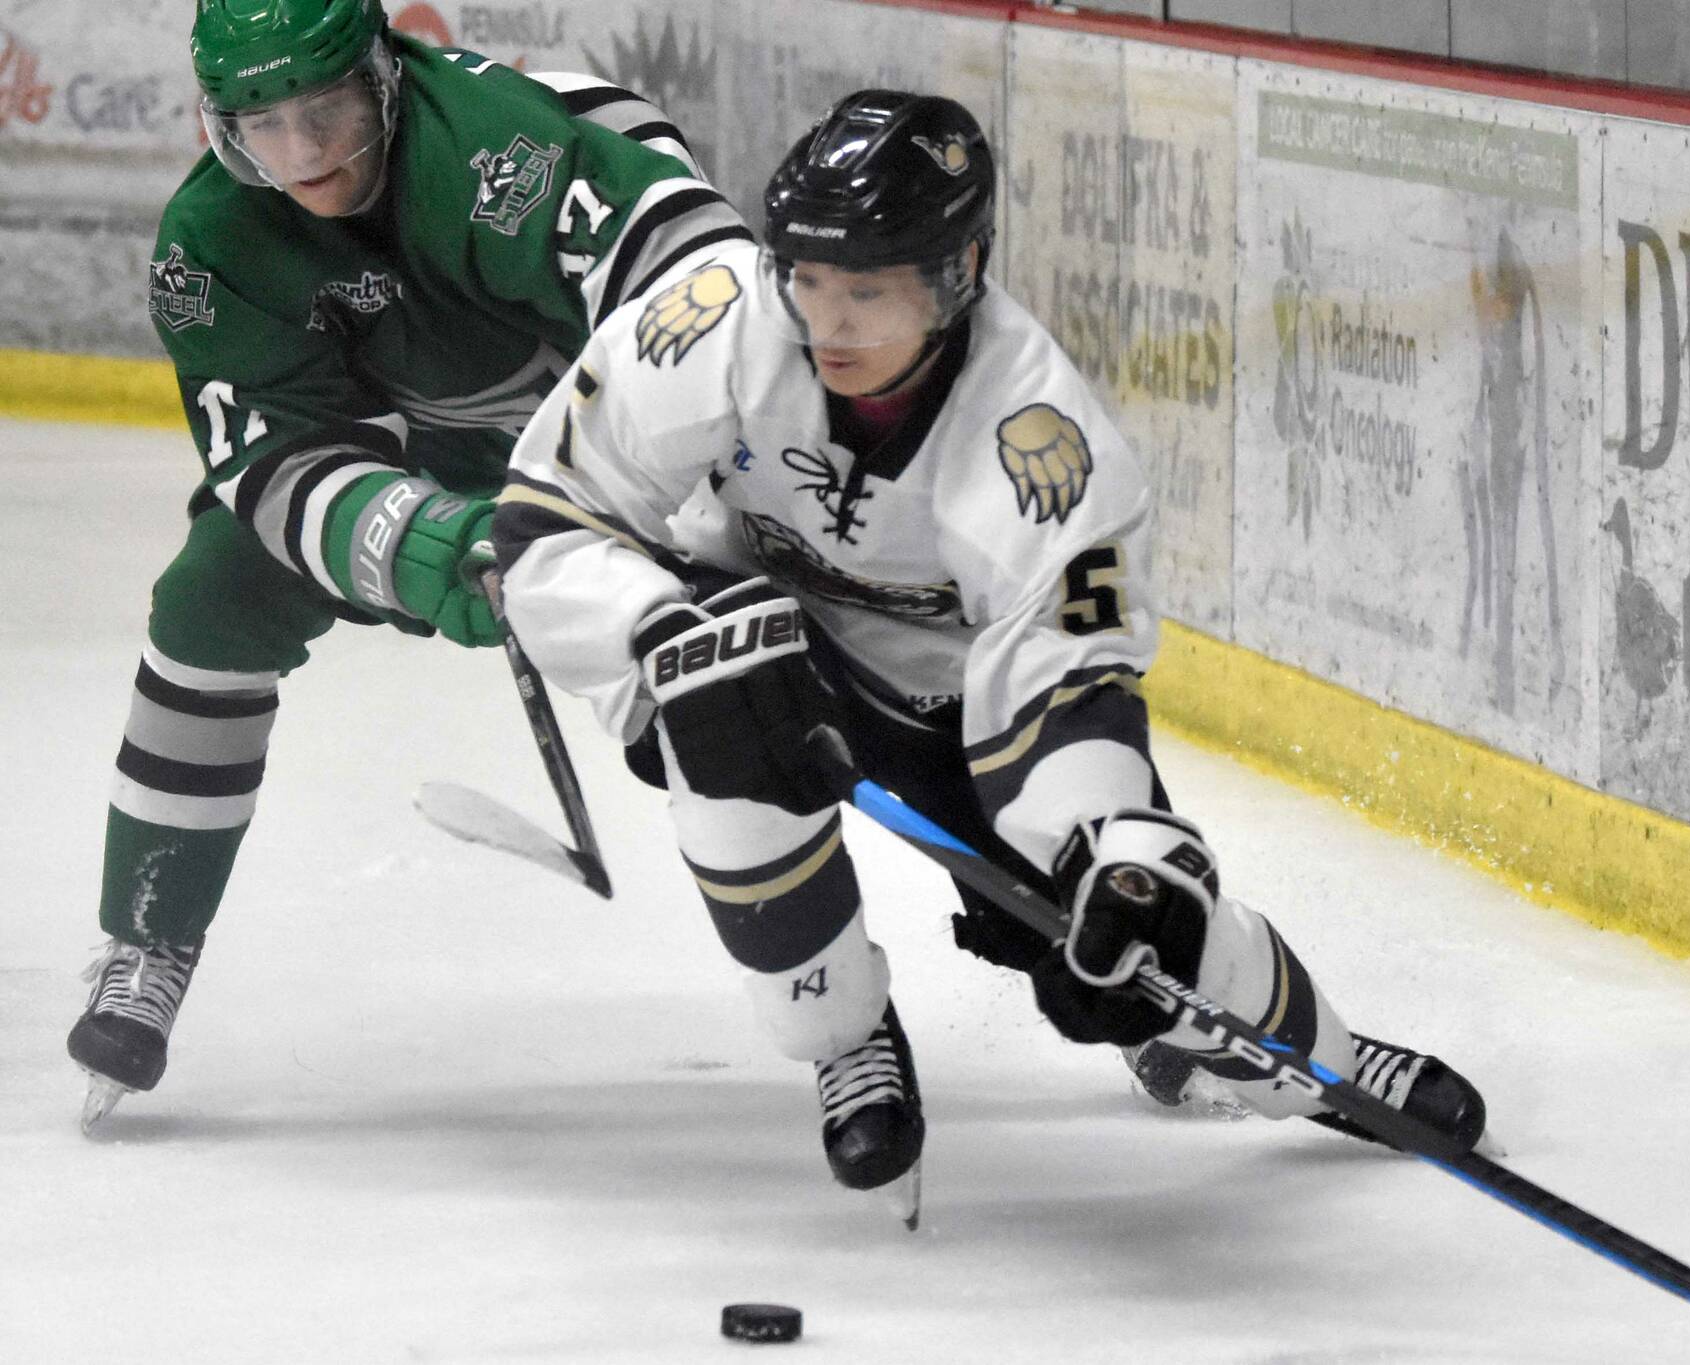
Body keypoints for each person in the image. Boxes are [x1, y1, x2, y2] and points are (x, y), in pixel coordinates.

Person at [492, 90, 1486, 1200]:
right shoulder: (717, 319)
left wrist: (1103, 847)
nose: (828, 324)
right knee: (723, 737)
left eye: (867, 290)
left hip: (953, 699)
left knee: (1141, 941)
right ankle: (844, 1042)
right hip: (756, 618)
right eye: (809, 280)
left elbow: (1062, 687)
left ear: (957, 273)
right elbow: (550, 513)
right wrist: (651, 638)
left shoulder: (1037, 440)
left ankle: (1329, 1068)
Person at [66, 0, 749, 1130]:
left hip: (628, 447)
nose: (303, 156)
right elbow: (280, 465)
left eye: (325, 111)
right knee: (212, 597)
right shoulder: (212, 245)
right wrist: (425, 544)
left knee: (769, 677)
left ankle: (1095, 907)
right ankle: (147, 936)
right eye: (262, 126)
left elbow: (702, 286)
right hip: (429, 460)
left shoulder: (498, 149)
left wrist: (634, 508)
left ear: (384, 73)